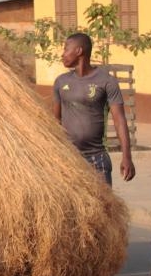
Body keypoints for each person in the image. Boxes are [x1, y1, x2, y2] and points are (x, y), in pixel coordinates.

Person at [52, 33, 135, 185]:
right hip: (69, 158)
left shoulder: (106, 81)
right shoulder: (61, 82)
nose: (62, 55)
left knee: (105, 207)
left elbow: (119, 121)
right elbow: (54, 122)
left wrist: (127, 156)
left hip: (97, 158)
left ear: (78, 51)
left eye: (66, 49)